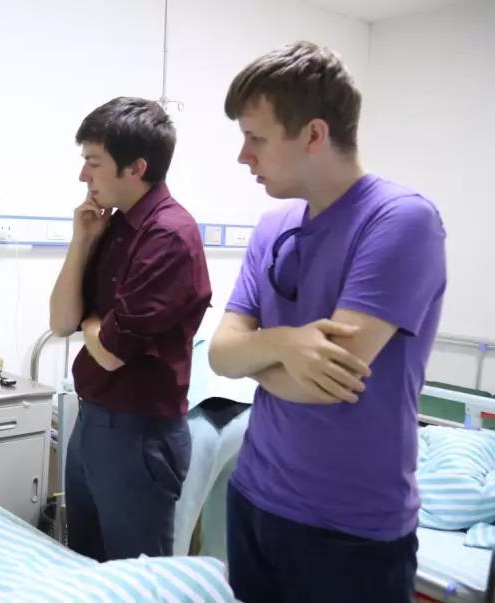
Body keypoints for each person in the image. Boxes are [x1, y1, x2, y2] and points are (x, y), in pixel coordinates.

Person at [208, 41, 447, 602]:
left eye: (256, 138)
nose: (243, 156)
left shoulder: (401, 221)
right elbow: (219, 354)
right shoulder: (273, 226)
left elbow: (322, 384)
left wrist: (255, 354)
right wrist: (287, 342)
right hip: (254, 498)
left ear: (314, 134)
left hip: (350, 531)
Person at [48, 97, 212, 561]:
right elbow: (61, 321)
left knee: (136, 579)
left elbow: (110, 352)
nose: (84, 176)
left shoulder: (169, 237)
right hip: (93, 423)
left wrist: (90, 322)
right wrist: (82, 241)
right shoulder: (114, 226)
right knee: (86, 563)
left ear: (136, 167)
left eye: (93, 162)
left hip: (138, 437)